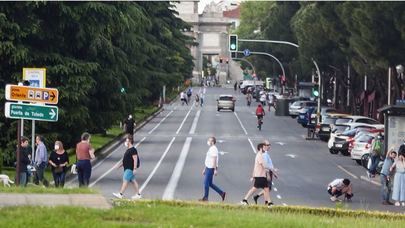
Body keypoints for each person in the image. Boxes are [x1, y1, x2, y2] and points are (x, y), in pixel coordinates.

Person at [199, 137, 226, 202]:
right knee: (210, 183)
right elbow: (208, 159)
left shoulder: (214, 149)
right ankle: (222, 193)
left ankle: (206, 198)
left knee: (206, 183)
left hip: (211, 168)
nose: (208, 141)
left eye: (209, 140)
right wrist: (204, 169)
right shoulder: (211, 148)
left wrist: (215, 170)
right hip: (208, 167)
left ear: (213, 142)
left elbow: (214, 160)